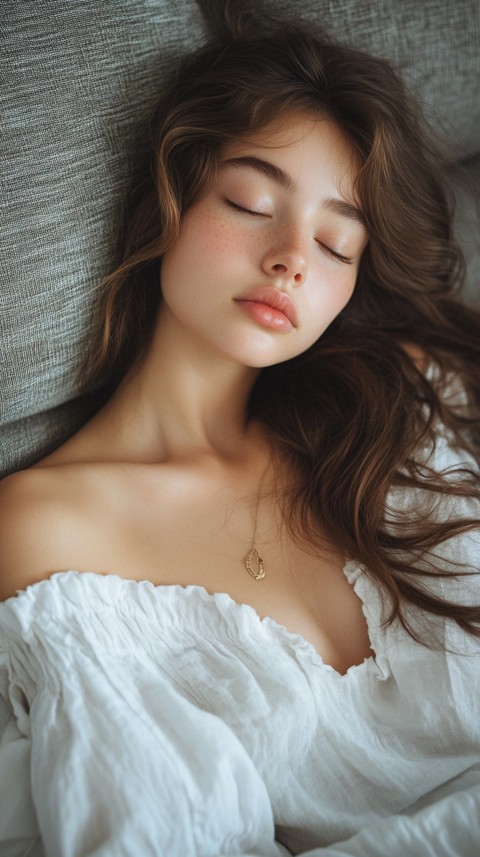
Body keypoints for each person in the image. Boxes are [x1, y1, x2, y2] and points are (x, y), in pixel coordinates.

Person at [0, 13, 479, 857]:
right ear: (171, 197)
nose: (295, 257)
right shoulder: (48, 529)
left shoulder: (393, 415)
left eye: (337, 243)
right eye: (251, 203)